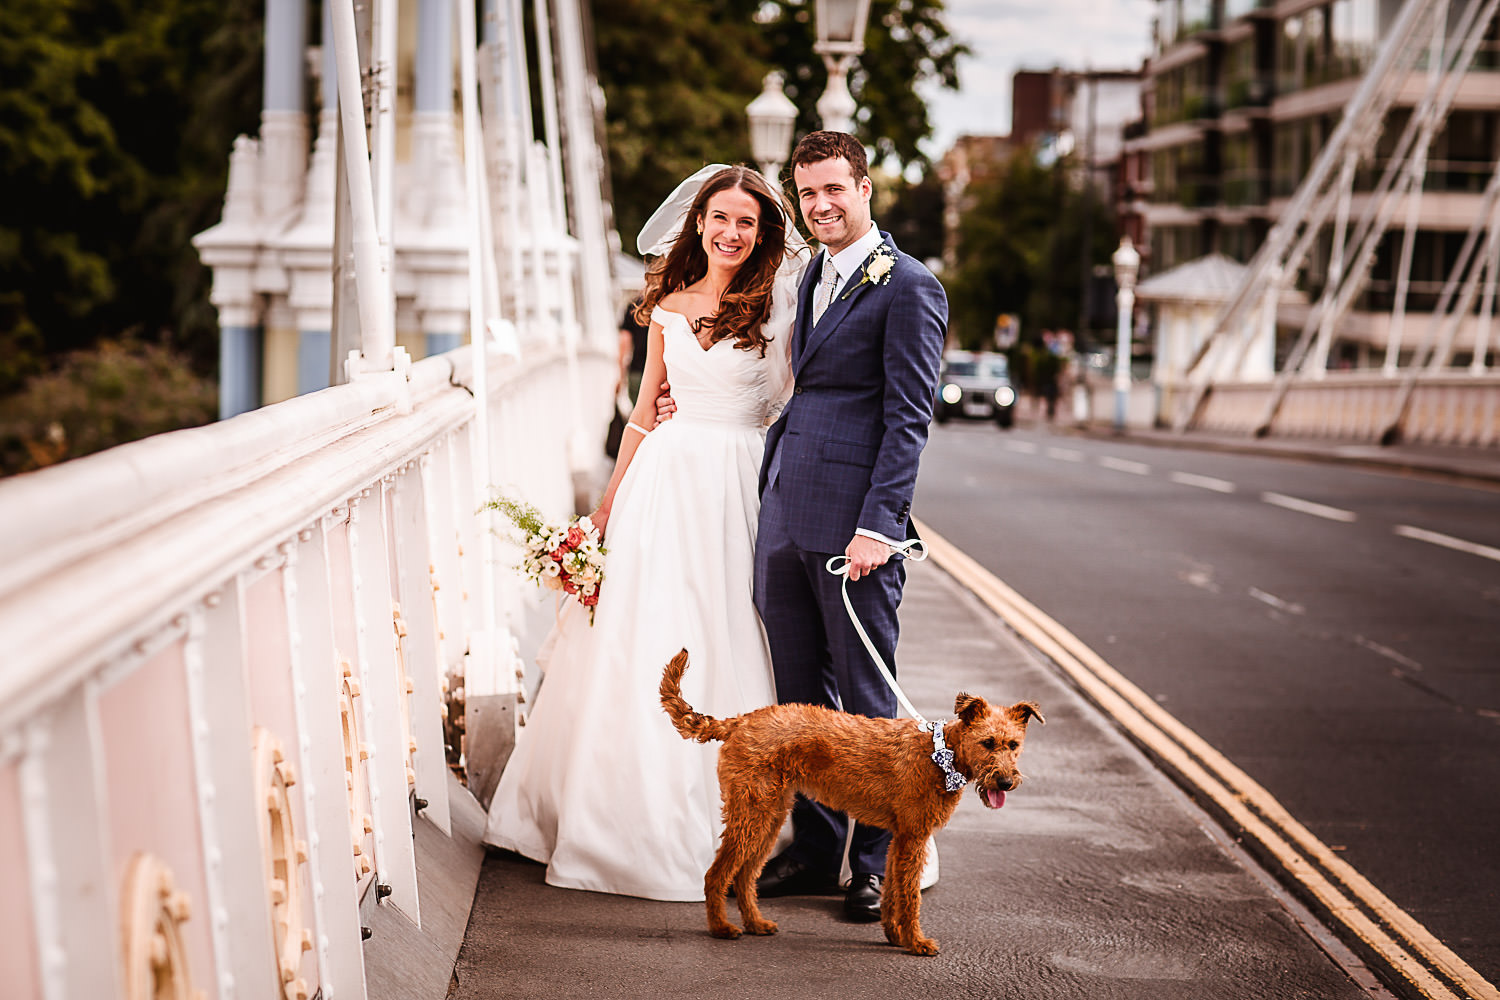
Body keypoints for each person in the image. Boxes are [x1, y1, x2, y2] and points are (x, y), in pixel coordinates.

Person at [483, 164, 808, 901]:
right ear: (698, 222)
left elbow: (794, 403)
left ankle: (758, 822)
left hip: (743, 481)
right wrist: (605, 507)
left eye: (746, 223)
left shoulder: (778, 309)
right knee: (648, 631)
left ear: (762, 236)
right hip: (665, 481)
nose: (730, 232)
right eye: (720, 218)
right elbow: (641, 411)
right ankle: (624, 815)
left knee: (738, 625)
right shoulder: (666, 306)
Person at [750, 131, 948, 922]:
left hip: (855, 536)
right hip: (786, 518)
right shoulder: (808, 278)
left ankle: (873, 867)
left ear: (865, 188)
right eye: (808, 194)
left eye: (835, 189)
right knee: (801, 703)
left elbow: (908, 420)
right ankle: (814, 847)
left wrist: (879, 524)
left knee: (868, 708)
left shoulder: (909, 286)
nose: (821, 206)